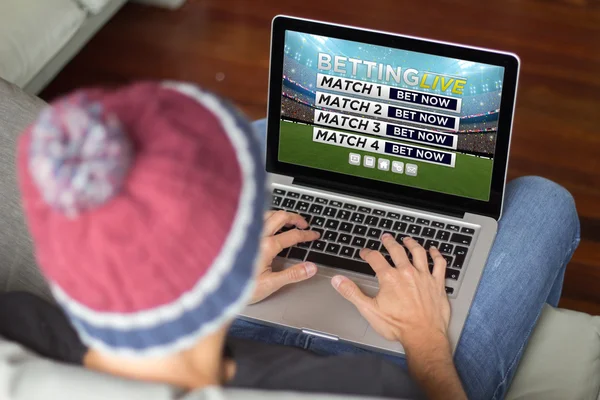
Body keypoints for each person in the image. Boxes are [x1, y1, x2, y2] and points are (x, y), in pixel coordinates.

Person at [13, 82, 579, 400]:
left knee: (268, 137)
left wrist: (226, 293)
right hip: (390, 358)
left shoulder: (18, 323)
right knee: (545, 201)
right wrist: (426, 342)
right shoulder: (372, 388)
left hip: (216, 338)